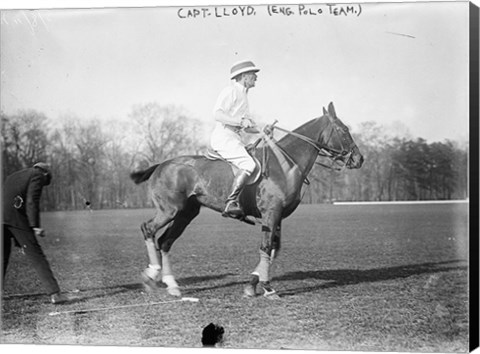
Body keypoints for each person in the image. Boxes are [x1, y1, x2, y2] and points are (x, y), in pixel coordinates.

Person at [2, 162, 70, 304]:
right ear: (45, 173)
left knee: (2, 256)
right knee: (36, 255)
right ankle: (55, 294)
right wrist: (35, 226)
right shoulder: (37, 175)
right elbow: (32, 201)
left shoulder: (14, 175)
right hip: (15, 218)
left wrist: (19, 242)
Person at [210, 60, 263, 218]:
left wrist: (262, 130)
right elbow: (217, 114)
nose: (256, 78)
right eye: (253, 74)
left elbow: (247, 126)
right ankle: (230, 203)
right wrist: (241, 121)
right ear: (244, 77)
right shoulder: (230, 91)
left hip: (235, 137)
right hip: (224, 136)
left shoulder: (244, 97)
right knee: (249, 164)